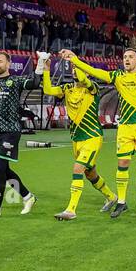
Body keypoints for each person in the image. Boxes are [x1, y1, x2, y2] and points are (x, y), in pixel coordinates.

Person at [70, 23, 136, 220]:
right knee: (123, 162)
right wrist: (76, 61)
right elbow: (95, 72)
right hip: (125, 126)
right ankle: (121, 202)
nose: (127, 59)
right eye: (125, 57)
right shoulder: (117, 76)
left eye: (130, 57)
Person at [44, 52, 117, 220]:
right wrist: (47, 70)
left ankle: (71, 210)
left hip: (92, 137)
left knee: (78, 168)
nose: (75, 71)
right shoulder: (67, 88)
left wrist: (76, 61)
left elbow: (84, 80)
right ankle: (111, 196)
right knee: (90, 174)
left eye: (78, 68)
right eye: (73, 68)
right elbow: (48, 89)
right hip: (76, 139)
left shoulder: (93, 88)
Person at [0, 50, 42, 219]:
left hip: (11, 131)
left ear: (8, 64)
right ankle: (28, 196)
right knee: (4, 169)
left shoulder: (15, 81)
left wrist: (40, 64)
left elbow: (34, 83)